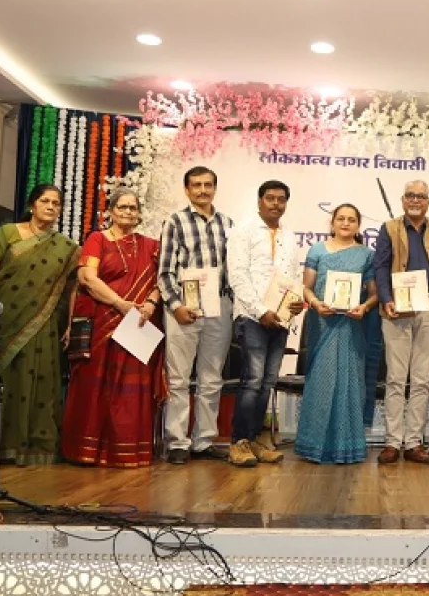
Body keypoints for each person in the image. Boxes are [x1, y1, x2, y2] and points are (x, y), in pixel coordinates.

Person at [61, 188, 167, 467]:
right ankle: (87, 451)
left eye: (133, 208)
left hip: (138, 324)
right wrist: (120, 304)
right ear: (110, 210)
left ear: (139, 213)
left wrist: (151, 304)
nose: (128, 212)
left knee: (130, 392)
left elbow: (163, 279)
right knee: (95, 388)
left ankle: (127, 451)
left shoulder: (151, 246)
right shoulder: (97, 239)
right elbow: (88, 278)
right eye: (122, 207)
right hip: (103, 322)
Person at [0, 184, 79, 465]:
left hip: (44, 325)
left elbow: (71, 289)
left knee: (40, 381)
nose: (50, 206)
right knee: (2, 380)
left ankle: (34, 447)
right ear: (32, 205)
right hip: (5, 319)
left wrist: (70, 325)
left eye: (56, 203)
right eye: (45, 201)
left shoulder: (68, 248)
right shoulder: (7, 234)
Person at [371, 180, 429, 465]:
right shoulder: (389, 228)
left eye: (421, 196)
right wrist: (386, 298)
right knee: (396, 378)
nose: (415, 200)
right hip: (396, 310)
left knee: (421, 380)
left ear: (428, 202)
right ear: (402, 199)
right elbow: (380, 266)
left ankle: (413, 442)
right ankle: (392, 442)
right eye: (410, 195)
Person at [159, 166, 234, 465]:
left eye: (208, 185)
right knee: (178, 378)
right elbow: (165, 271)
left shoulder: (228, 224)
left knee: (212, 377)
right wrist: (176, 305)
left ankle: (204, 441)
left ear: (215, 188)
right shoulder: (175, 221)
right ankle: (177, 442)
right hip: (183, 307)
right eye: (196, 185)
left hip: (219, 306)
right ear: (187, 189)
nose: (203, 190)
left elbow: (233, 270)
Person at [227, 180, 303, 467]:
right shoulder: (243, 231)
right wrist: (260, 311)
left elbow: (293, 276)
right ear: (259, 201)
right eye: (270, 198)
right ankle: (239, 443)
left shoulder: (289, 235)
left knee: (268, 381)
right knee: (253, 380)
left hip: (279, 320)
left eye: (281, 199)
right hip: (252, 317)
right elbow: (238, 276)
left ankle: (256, 440)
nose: (275, 204)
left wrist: (294, 304)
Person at [297, 204, 378, 463]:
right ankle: (314, 446)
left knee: (350, 382)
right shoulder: (317, 250)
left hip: (352, 326)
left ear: (358, 225)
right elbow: (306, 287)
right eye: (341, 218)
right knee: (321, 381)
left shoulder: (367, 255)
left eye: (351, 220)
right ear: (332, 222)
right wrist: (315, 303)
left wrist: (365, 307)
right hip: (323, 323)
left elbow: (374, 294)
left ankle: (347, 447)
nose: (345, 223)